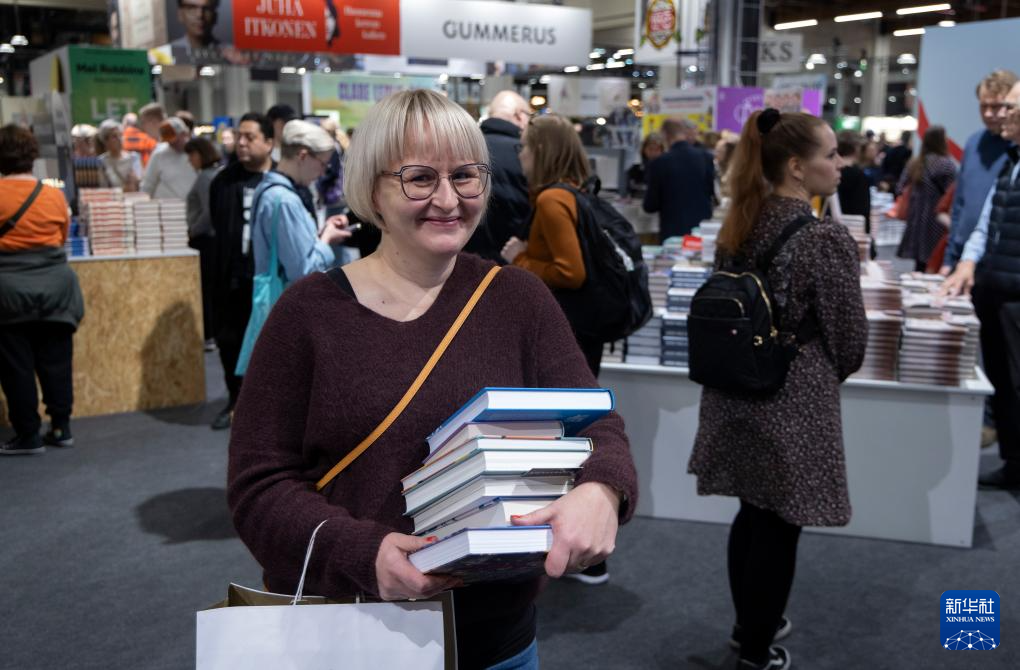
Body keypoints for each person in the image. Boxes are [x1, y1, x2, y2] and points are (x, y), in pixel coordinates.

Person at [227, 88, 638, 670]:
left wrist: (601, 489)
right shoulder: (308, 315)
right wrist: (362, 553)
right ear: (373, 189)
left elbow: (598, 424)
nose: (448, 200)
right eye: (420, 178)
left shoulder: (517, 299)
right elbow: (258, 486)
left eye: (465, 176)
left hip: (498, 642)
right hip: (349, 634)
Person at [688, 109, 867, 670]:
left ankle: (748, 628)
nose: (840, 165)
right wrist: (823, 371)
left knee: (752, 512)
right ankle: (757, 651)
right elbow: (850, 338)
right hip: (793, 397)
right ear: (795, 166)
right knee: (780, 525)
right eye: (830, 155)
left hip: (734, 389)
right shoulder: (823, 238)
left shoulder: (739, 224)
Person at [499, 114, 617, 587]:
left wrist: (519, 259)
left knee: (569, 433)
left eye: (526, 148)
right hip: (583, 328)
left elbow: (571, 272)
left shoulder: (551, 199)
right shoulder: (571, 193)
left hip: (572, 329)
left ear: (542, 151)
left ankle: (580, 549)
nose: (520, 156)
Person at [941, 80, 1020, 489]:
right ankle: (1013, 462)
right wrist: (966, 261)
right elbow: (986, 219)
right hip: (994, 288)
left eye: (1009, 107)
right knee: (1003, 382)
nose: (1001, 114)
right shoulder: (1009, 162)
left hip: (1014, 293)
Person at [0, 125, 85, 454]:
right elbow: (61, 238)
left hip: (9, 290)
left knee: (16, 366)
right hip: (56, 288)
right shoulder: (52, 195)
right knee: (57, 362)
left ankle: (28, 434)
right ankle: (61, 427)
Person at [208, 112, 275, 430]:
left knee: (271, 346)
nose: (242, 143)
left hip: (269, 282)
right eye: (240, 137)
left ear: (269, 142)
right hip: (231, 279)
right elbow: (217, 225)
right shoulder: (223, 181)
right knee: (230, 342)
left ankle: (269, 409)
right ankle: (236, 402)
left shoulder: (279, 181)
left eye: (250, 137)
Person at [249, 119, 351, 284]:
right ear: (303, 156)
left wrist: (320, 234)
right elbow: (304, 272)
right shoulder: (285, 200)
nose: (323, 173)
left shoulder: (267, 188)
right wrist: (326, 239)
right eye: (323, 164)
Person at [942, 70, 1020, 273]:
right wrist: (950, 258)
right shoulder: (974, 143)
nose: (988, 114)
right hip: (964, 256)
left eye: (997, 106)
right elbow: (959, 204)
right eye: (983, 106)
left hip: (1001, 263)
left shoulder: (1014, 149)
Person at [463, 90, 532, 263]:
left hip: (466, 257)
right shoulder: (527, 153)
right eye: (529, 116)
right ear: (519, 115)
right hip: (513, 256)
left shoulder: (465, 147)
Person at [643, 117, 715, 242]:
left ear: (665, 135)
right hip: (700, 228)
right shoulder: (706, 157)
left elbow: (650, 205)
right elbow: (711, 191)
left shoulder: (659, 163)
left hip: (672, 230)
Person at [896, 126, 957, 272]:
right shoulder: (946, 165)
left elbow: (899, 188)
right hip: (936, 220)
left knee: (919, 263)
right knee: (934, 260)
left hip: (916, 218)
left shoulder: (915, 163)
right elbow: (952, 194)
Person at [184, 136, 222, 347]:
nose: (189, 160)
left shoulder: (206, 178)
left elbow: (208, 213)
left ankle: (209, 333)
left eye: (191, 155)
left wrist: (192, 231)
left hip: (204, 240)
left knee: (206, 288)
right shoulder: (213, 175)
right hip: (209, 239)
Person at [141, 117, 197, 200]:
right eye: (168, 141)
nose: (171, 143)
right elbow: (148, 184)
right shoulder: (159, 154)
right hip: (165, 206)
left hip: (190, 205)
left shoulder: (195, 153)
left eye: (175, 141)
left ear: (184, 134)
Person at [835, 131, 871, 233]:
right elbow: (862, 210)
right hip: (852, 229)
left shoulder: (831, 171)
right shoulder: (858, 175)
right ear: (856, 148)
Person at [96, 120, 142, 192]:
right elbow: (102, 187)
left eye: (120, 135)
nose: (119, 139)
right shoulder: (101, 162)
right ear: (105, 141)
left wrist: (134, 180)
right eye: (114, 136)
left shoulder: (134, 158)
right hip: (113, 198)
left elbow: (140, 182)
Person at [625, 131, 667, 199]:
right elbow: (628, 191)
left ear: (662, 151)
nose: (653, 153)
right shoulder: (635, 169)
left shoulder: (667, 170)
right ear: (644, 149)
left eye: (657, 149)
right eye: (650, 149)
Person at [123, 103, 164, 167]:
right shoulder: (157, 143)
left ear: (154, 122)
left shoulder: (169, 143)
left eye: (143, 122)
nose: (142, 127)